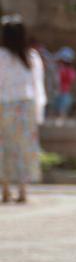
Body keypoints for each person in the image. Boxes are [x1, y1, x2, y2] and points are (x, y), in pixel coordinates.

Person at [0, 16, 46, 204]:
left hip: (3, 105)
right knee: (23, 148)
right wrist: (38, 111)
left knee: (4, 147)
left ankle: (5, 189)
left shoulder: (1, 56)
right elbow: (37, 86)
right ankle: (23, 189)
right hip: (26, 106)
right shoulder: (31, 57)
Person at [54, 47, 76, 118]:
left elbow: (71, 80)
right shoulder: (57, 68)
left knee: (62, 111)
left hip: (64, 93)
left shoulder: (69, 71)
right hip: (57, 93)